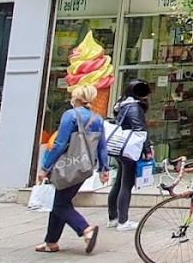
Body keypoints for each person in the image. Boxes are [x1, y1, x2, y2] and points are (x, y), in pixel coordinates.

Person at [36, 84, 108, 254]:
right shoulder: (97, 119)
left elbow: (60, 144)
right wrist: (104, 169)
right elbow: (102, 146)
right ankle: (51, 242)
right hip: (84, 167)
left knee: (60, 205)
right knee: (60, 202)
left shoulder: (70, 115)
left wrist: (45, 167)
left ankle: (85, 229)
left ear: (76, 98)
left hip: (67, 167)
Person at [107, 79, 152, 231]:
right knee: (127, 184)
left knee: (119, 182)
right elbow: (140, 131)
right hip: (130, 149)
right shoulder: (134, 108)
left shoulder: (122, 105)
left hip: (120, 147)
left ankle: (113, 217)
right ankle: (123, 221)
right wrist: (147, 150)